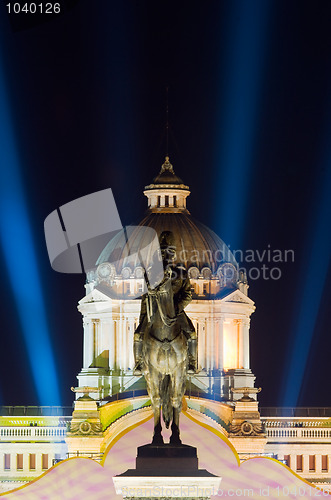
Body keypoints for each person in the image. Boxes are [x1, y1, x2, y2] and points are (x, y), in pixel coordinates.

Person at [133, 230, 197, 375]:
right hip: (154, 311)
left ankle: (192, 363)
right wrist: (143, 318)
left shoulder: (180, 274)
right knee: (138, 335)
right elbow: (145, 298)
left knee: (192, 333)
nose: (164, 256)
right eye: (161, 253)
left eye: (167, 253)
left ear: (172, 255)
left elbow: (188, 295)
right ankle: (139, 363)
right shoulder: (150, 275)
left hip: (175, 311)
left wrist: (177, 307)